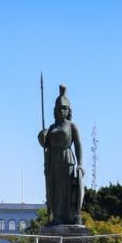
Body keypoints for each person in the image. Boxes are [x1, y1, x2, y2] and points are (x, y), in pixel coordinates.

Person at [37, 84, 84, 226]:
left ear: (68, 110)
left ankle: (64, 217)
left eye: (65, 108)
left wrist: (80, 164)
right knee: (53, 191)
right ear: (56, 109)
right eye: (59, 108)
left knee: (65, 190)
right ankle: (54, 216)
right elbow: (45, 145)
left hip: (66, 159)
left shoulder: (71, 126)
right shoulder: (51, 127)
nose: (62, 110)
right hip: (52, 160)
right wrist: (42, 137)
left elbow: (78, 144)